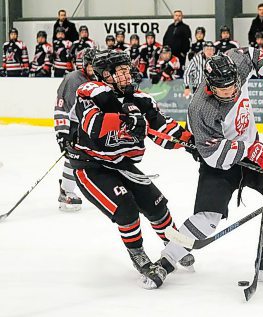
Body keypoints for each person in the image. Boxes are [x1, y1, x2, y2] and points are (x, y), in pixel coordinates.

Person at [160, 49, 263, 282]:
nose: (229, 92)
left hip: (252, 154)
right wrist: (251, 149)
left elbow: (252, 53)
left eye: (232, 86)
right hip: (219, 162)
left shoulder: (236, 63)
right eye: (222, 89)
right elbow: (211, 154)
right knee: (207, 218)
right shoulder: (200, 108)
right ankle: (166, 259)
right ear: (210, 85)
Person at [69, 50, 196, 289]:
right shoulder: (89, 93)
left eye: (128, 70)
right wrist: (125, 119)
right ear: (106, 75)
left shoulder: (141, 99)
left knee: (157, 204)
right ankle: (137, 253)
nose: (129, 75)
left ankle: (176, 243)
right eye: (122, 71)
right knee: (126, 208)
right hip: (92, 166)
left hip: (122, 163)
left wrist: (190, 142)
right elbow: (93, 126)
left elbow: (163, 131)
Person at [54, 48, 96, 212]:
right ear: (85, 65)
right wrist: (62, 133)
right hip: (73, 126)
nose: (94, 69)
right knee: (74, 158)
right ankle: (66, 191)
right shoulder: (73, 80)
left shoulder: (98, 79)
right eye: (91, 66)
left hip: (90, 124)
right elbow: (61, 108)